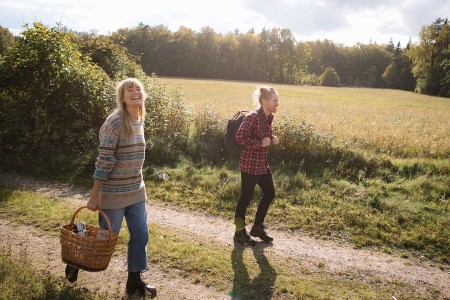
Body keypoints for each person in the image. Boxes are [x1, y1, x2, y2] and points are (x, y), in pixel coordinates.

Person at [64, 78, 157, 297]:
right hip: (113, 193)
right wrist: (95, 196)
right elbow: (104, 161)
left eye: (138, 88)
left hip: (136, 190)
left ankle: (134, 280)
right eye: (129, 89)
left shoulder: (139, 120)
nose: (135, 91)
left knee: (141, 235)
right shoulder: (113, 123)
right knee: (105, 239)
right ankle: (75, 262)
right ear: (123, 98)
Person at [233, 86, 279, 246]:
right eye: (274, 100)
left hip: (262, 165)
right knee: (245, 198)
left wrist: (271, 138)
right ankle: (239, 232)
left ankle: (257, 227)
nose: (277, 103)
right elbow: (240, 137)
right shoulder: (252, 117)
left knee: (269, 193)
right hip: (250, 166)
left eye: (277, 100)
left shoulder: (267, 117)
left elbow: (262, 136)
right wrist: (260, 143)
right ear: (265, 101)